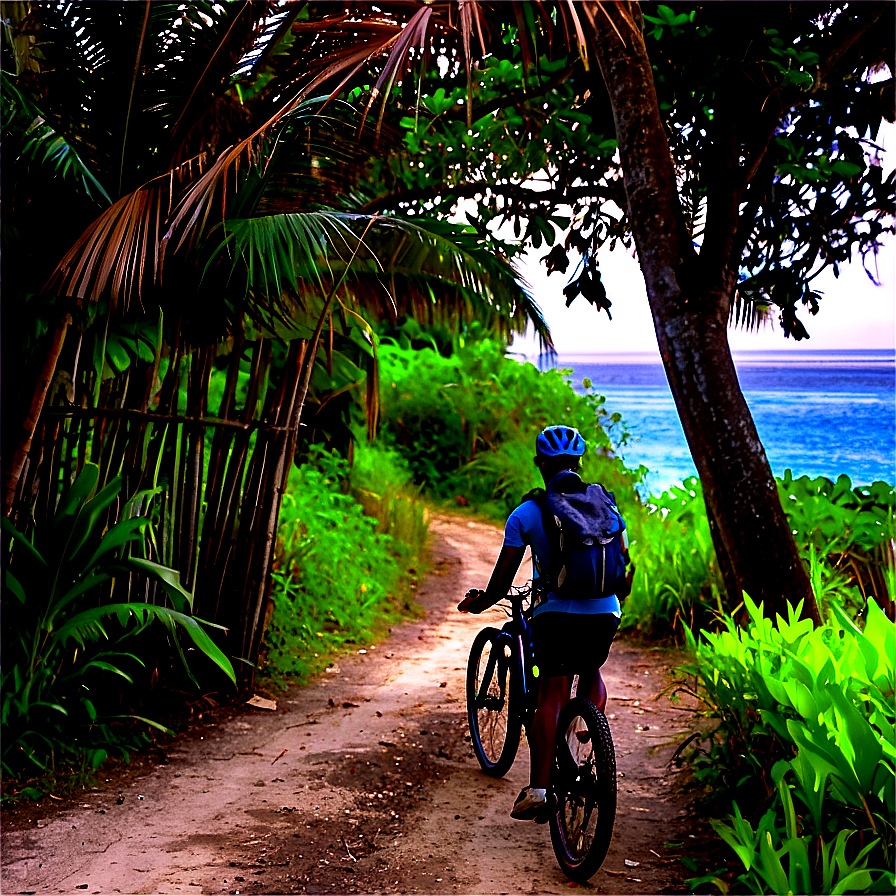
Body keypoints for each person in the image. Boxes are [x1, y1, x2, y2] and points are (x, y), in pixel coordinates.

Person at [457, 424, 632, 820]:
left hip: (557, 615)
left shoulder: (527, 513)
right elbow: (621, 563)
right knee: (590, 669)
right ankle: (583, 730)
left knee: (552, 691)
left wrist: (481, 601)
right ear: (578, 463)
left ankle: (538, 790)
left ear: (540, 465)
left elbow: (502, 582)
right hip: (607, 610)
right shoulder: (606, 503)